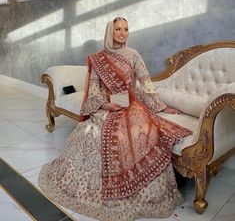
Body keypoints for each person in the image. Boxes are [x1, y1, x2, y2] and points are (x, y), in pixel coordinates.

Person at [38, 17, 192, 221]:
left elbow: (146, 83)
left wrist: (162, 107)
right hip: (108, 105)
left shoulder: (134, 55)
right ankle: (88, 189)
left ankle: (136, 191)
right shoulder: (98, 58)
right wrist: (104, 105)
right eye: (118, 29)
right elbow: (93, 88)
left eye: (126, 29)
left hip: (131, 105)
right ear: (110, 31)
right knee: (89, 133)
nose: (122, 33)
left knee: (135, 134)